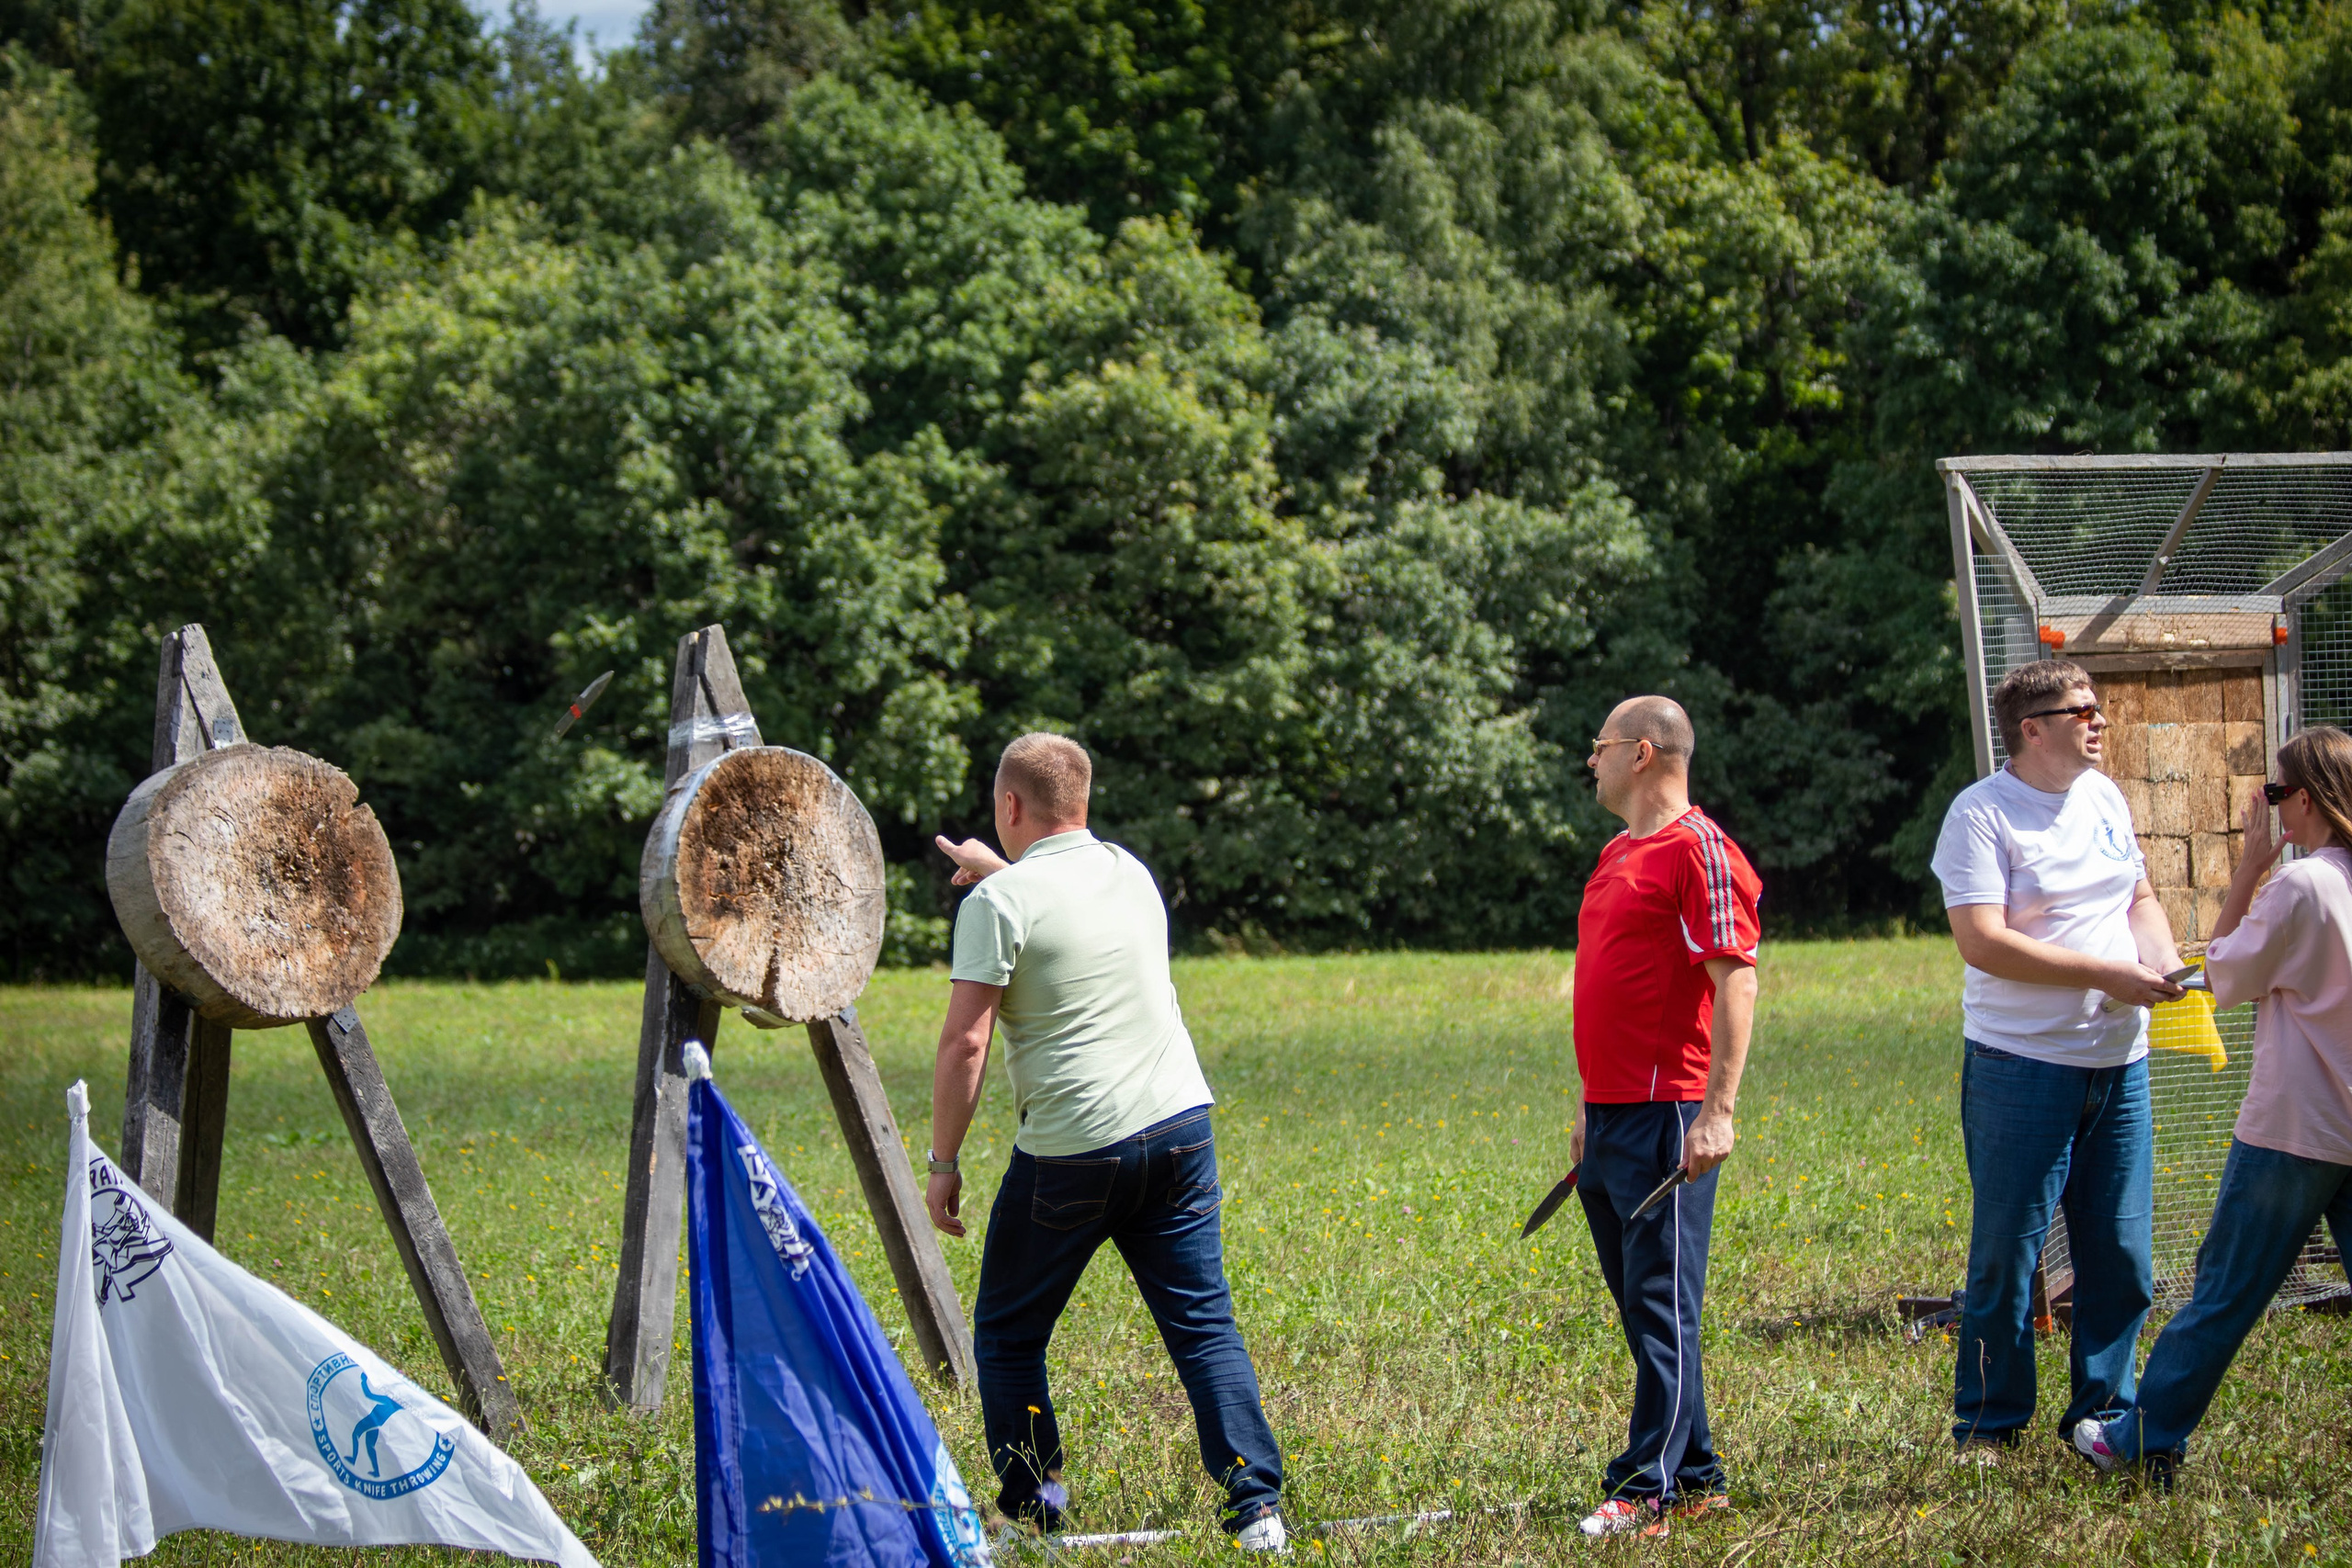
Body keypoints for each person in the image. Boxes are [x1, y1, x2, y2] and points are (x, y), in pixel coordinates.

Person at [923, 733, 1287, 1551]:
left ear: (1010, 806)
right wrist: (1003, 874)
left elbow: (965, 1044)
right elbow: (1060, 906)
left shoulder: (996, 905)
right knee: (1203, 1324)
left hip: (1074, 1151)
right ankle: (1258, 1510)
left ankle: (1037, 1514)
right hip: (1181, 1128)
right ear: (1082, 799)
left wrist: (943, 1163)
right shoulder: (1129, 872)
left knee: (1010, 1335)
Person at [2077, 726, 2352, 1479]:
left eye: (2274, 794)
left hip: (2296, 1130)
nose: (2270, 810)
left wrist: (2249, 868)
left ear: (2305, 797)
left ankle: (2141, 1441)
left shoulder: (2303, 886)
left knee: (2223, 1295)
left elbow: (2217, 970)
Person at [1929, 659, 2187, 1460]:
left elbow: (2136, 896)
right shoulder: (1981, 814)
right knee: (2007, 1254)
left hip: (2120, 1061)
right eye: (2082, 709)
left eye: (2097, 705)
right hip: (2021, 1065)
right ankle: (1989, 1422)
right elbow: (1983, 940)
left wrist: (2163, 962)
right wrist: (2107, 973)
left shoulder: (2105, 797)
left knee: (2122, 1255)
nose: (2099, 718)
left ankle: (2100, 1413)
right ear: (2032, 729)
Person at [1566, 695, 1761, 1540]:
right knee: (1650, 1312)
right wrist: (1584, 1106)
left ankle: (1643, 1484)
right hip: (1609, 1120)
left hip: (1668, 1115)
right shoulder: (1617, 852)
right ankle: (1700, 1475)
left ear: (1641, 753)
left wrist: (1717, 1113)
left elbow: (1737, 980)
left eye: (1600, 746)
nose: (1590, 760)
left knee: (1663, 1305)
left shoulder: (1702, 852)